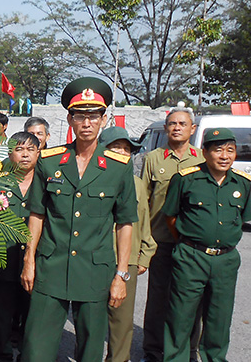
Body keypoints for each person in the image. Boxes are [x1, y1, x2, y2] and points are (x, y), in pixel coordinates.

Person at [21, 77, 137, 362]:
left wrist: (121, 275)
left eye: (93, 116)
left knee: (90, 349)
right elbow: (37, 213)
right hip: (51, 266)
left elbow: (125, 223)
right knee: (36, 348)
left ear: (104, 119)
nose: (87, 123)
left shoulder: (117, 166)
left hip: (95, 270)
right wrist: (29, 260)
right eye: (80, 116)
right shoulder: (49, 161)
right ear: (70, 119)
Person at [162, 128, 251, 362]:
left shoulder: (243, 183)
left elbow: (241, 220)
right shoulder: (185, 179)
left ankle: (215, 358)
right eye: (218, 150)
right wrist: (190, 242)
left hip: (226, 260)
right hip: (191, 257)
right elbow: (171, 216)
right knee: (181, 316)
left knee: (219, 318)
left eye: (230, 150)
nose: (225, 156)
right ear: (205, 152)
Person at [142, 107, 204, 362]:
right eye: (172, 123)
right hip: (161, 242)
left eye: (182, 123)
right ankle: (153, 350)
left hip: (192, 245)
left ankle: (189, 351)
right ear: (166, 128)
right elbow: (143, 203)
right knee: (157, 300)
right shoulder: (153, 159)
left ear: (193, 129)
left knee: (192, 303)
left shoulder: (202, 160)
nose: (177, 127)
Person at [0, 131, 38, 362]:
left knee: (31, 313)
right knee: (3, 315)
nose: (25, 155)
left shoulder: (48, 181)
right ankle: (2, 355)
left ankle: (28, 353)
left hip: (34, 262)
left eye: (30, 149)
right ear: (10, 153)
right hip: (2, 258)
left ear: (38, 153)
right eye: (19, 149)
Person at [100, 127, 158, 362]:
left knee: (121, 320)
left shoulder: (137, 183)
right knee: (90, 318)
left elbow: (144, 221)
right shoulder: (91, 178)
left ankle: (118, 359)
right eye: (116, 148)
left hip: (128, 260)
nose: (122, 153)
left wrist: (144, 255)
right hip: (94, 257)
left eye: (126, 149)